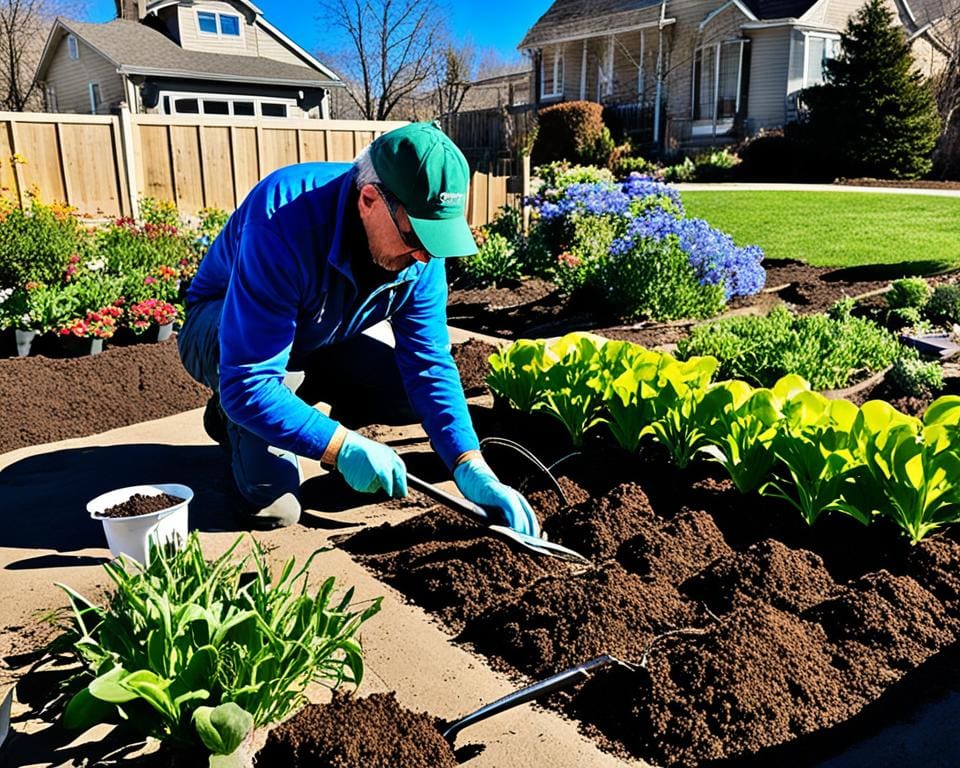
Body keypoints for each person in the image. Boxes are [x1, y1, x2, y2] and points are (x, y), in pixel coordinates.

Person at [178, 121, 540, 536]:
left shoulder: (421, 247)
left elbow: (429, 365)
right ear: (369, 199)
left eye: (436, 241)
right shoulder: (282, 221)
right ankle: (236, 414)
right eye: (417, 236)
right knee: (275, 509)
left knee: (406, 395)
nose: (424, 257)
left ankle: (289, 402)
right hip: (221, 329)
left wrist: (470, 464)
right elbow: (249, 381)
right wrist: (339, 446)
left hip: (316, 334)